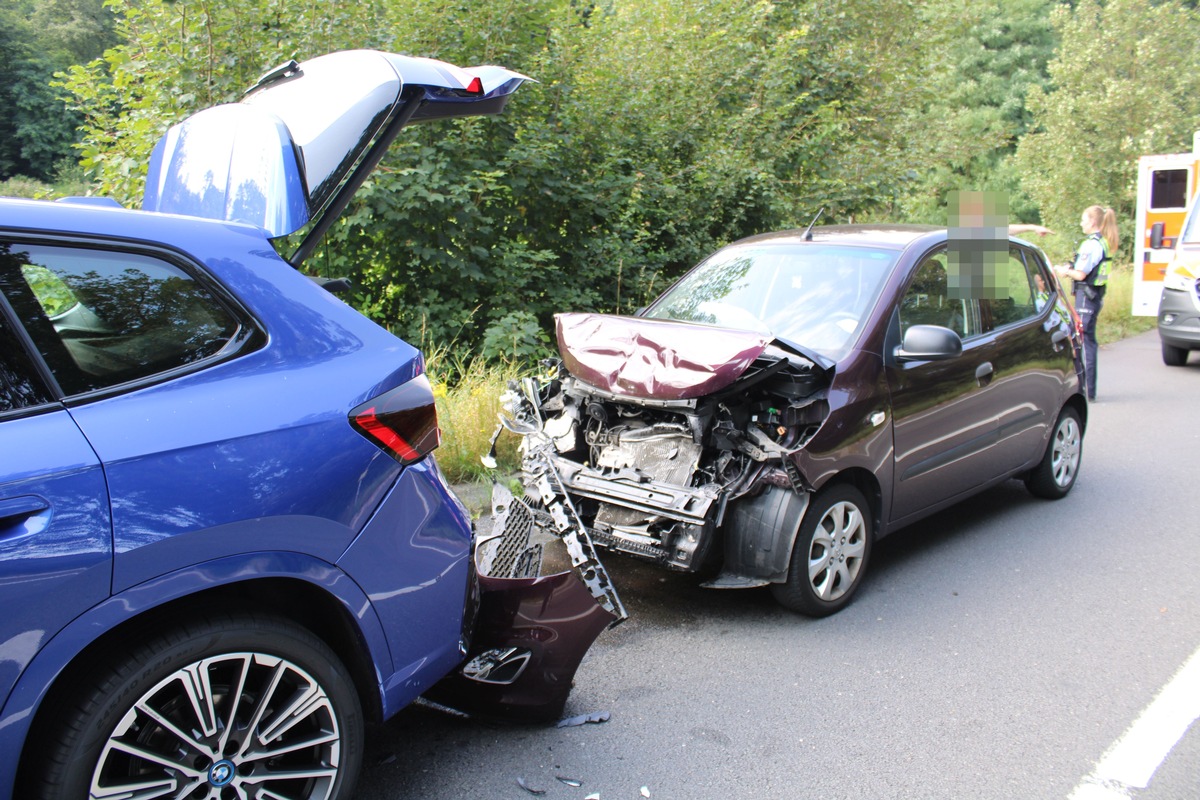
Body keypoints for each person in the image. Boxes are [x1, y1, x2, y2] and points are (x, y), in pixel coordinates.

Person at [1057, 205, 1118, 401]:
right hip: (1094, 297)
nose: (1081, 223)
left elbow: (1081, 274)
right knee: (1089, 342)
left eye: (1084, 219)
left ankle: (1084, 390)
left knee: (1082, 343)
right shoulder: (1102, 242)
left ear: (1092, 222)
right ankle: (1087, 389)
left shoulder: (1091, 244)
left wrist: (1064, 271)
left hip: (1087, 298)